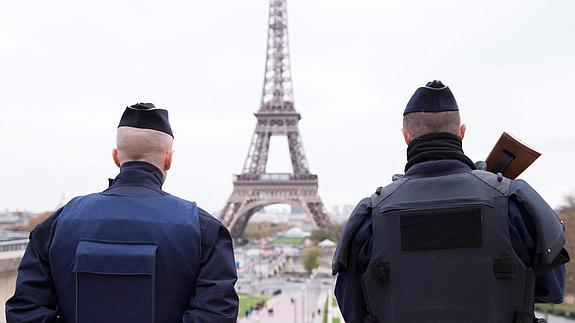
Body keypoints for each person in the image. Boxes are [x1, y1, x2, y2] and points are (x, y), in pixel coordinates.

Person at [332, 81, 569, 323]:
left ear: (406, 136)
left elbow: (352, 309)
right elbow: (552, 289)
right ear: (461, 132)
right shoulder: (514, 206)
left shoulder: (371, 218)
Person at [6, 103, 239, 323]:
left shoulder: (57, 224)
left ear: (116, 157)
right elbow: (216, 315)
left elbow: (25, 312)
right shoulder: (204, 230)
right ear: (168, 158)